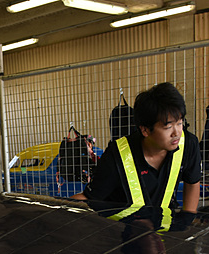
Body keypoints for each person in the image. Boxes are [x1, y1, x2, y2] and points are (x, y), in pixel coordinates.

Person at [72, 82, 201, 231]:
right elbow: (89, 199)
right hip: (120, 233)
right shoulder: (117, 155)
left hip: (162, 229)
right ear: (145, 130)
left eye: (180, 123)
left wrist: (187, 220)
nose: (176, 133)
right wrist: (57, 211)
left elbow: (193, 182)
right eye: (168, 127)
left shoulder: (188, 144)